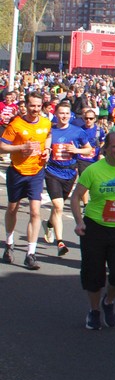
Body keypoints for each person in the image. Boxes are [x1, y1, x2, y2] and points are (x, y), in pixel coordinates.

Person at [70, 132, 115, 329]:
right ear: (106, 149)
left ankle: (108, 302)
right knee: (94, 274)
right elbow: (76, 197)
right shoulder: (93, 170)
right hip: (95, 227)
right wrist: (79, 222)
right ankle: (94, 311)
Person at [0, 92, 52, 269]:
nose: (35, 109)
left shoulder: (45, 122)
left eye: (38, 106)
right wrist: (21, 147)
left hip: (36, 172)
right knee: (12, 208)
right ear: (26, 105)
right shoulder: (16, 124)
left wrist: (47, 150)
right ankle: (9, 243)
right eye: (32, 106)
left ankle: (31, 254)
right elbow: (2, 146)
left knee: (35, 212)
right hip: (17, 171)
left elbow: (48, 136)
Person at [45, 100, 94, 258]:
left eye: (67, 113)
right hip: (52, 172)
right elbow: (44, 147)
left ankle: (49, 224)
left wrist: (76, 150)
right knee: (58, 206)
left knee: (58, 207)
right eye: (61, 113)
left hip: (70, 173)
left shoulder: (77, 131)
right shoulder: (50, 131)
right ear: (56, 114)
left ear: (71, 115)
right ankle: (60, 242)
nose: (64, 116)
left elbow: (89, 150)